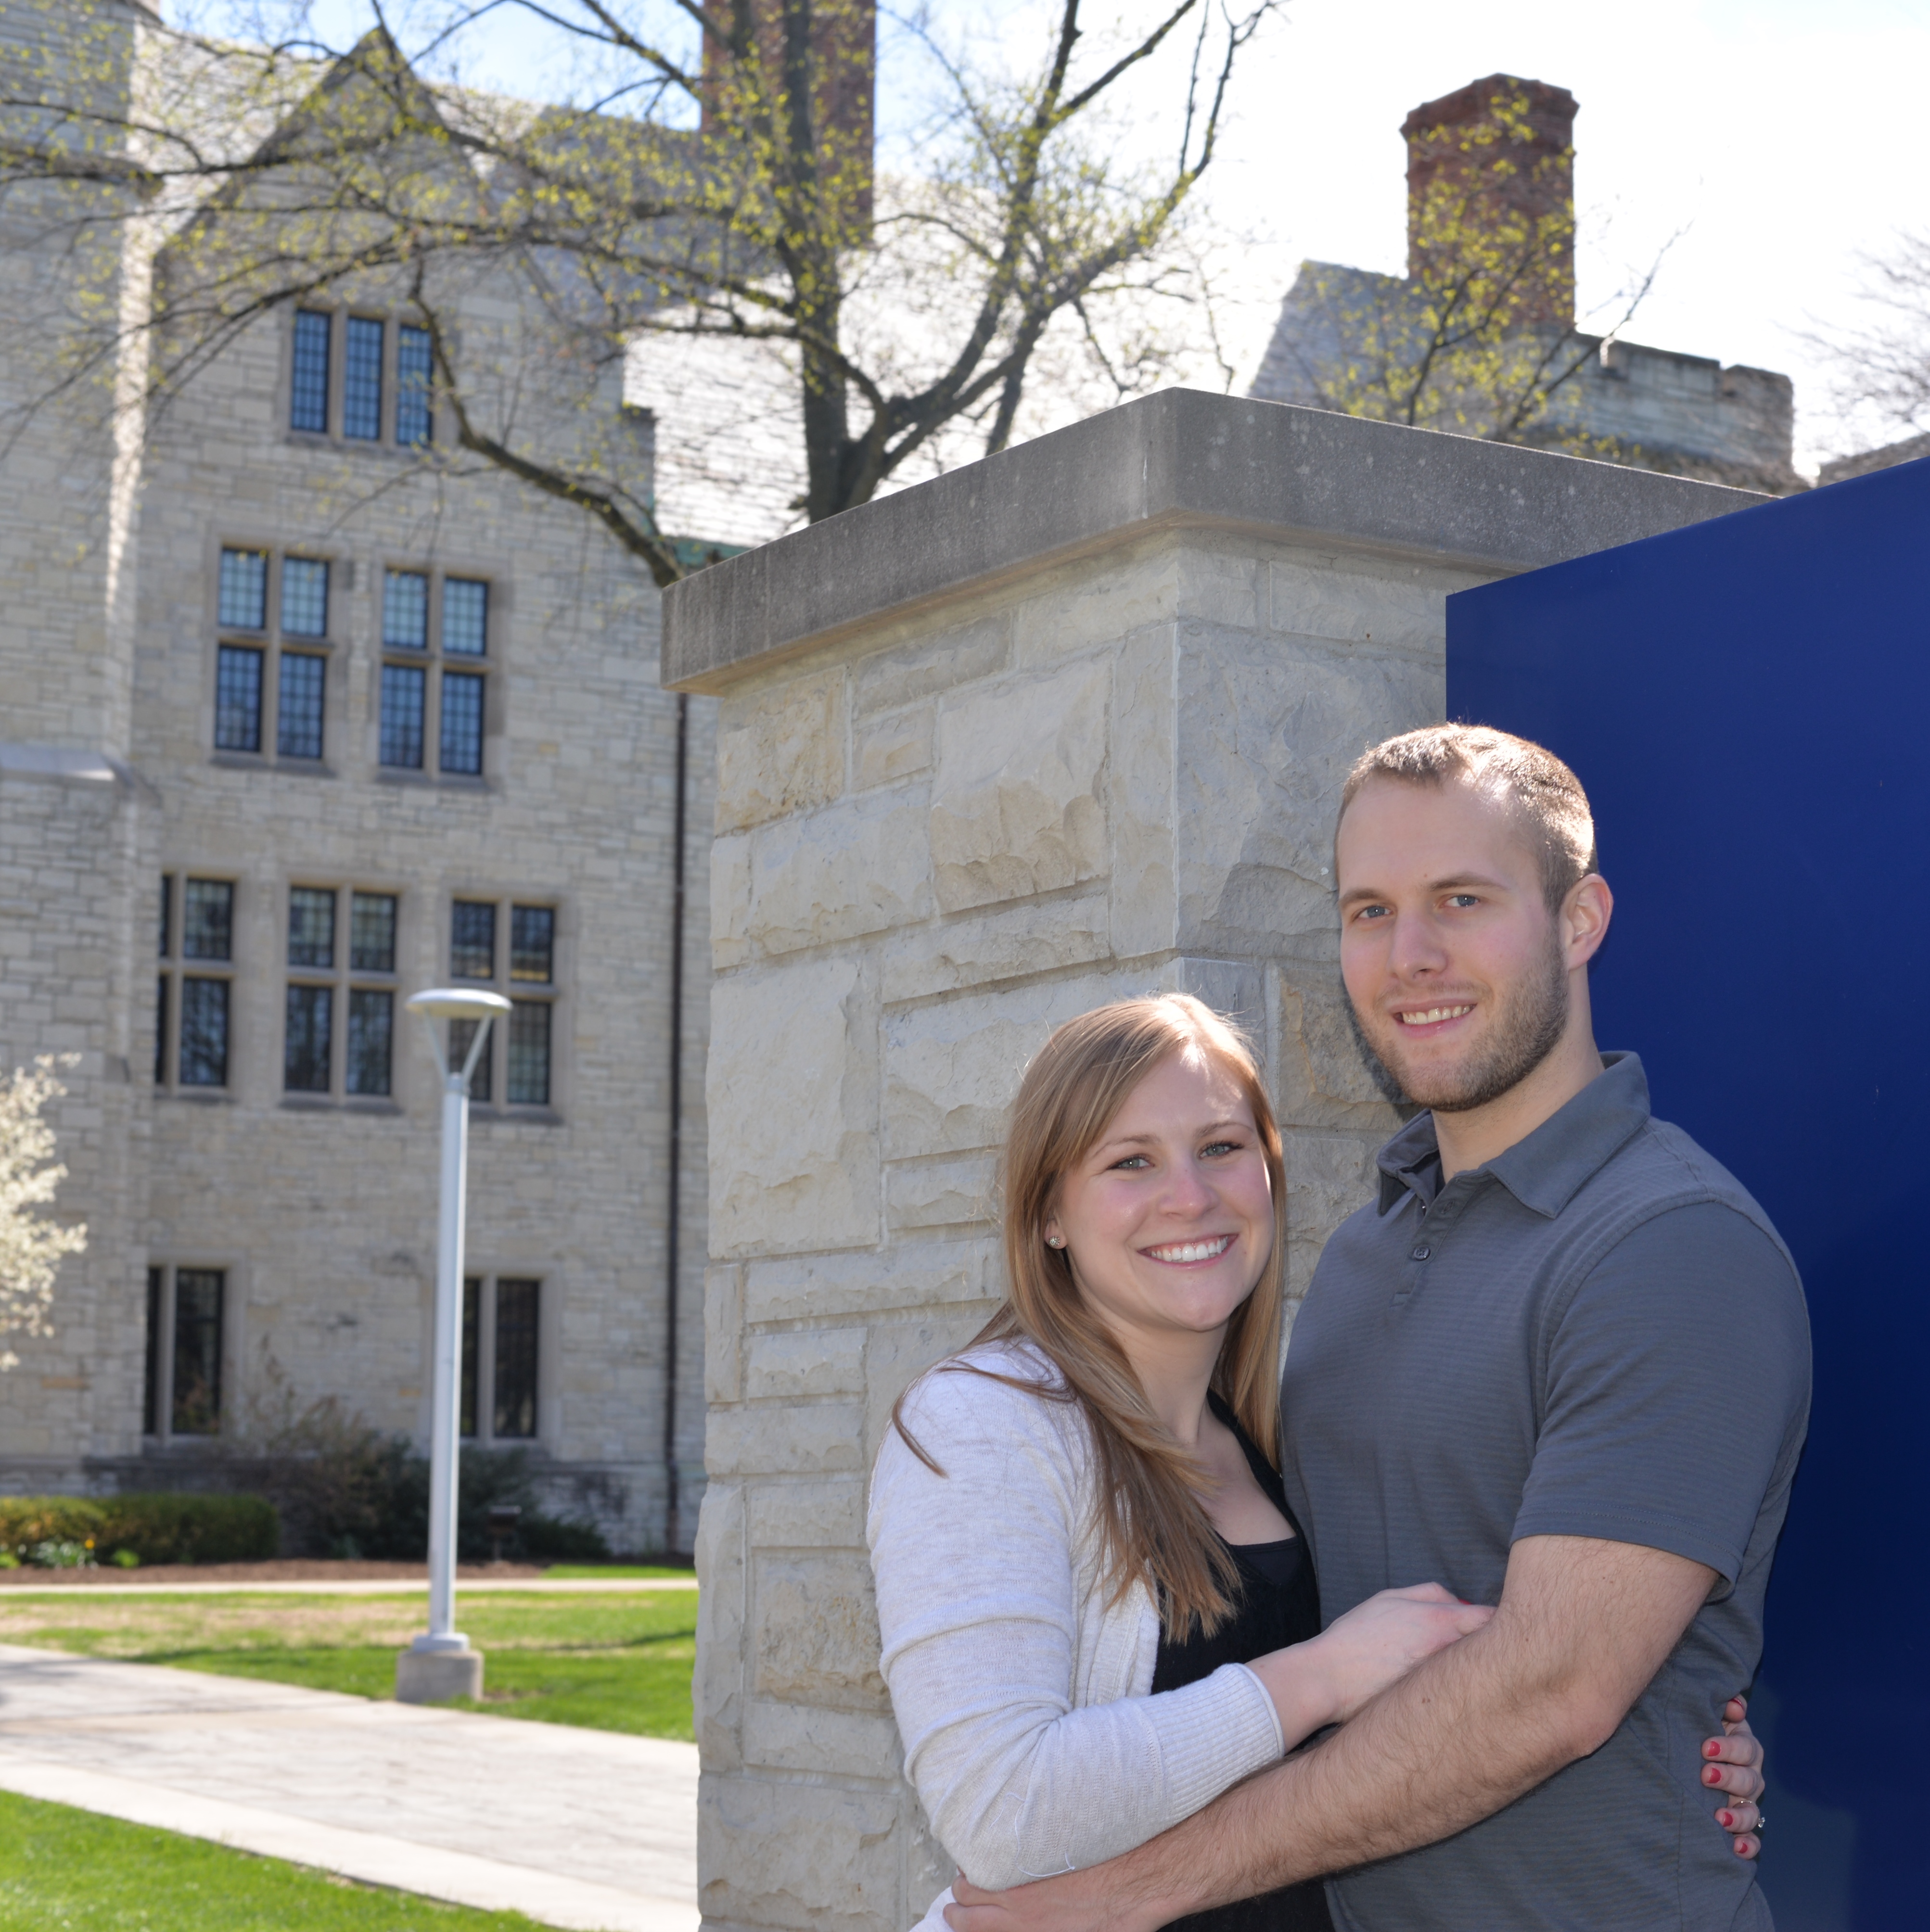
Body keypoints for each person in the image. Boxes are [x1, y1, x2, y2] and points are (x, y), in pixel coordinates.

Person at [940, 725, 1807, 1932]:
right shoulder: (1359, 1255)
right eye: (1368, 911)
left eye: (1461, 899)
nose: (1410, 956)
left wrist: (1137, 1888)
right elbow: (1298, 1629)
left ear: (1578, 918)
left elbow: (1552, 1691)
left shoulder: (1666, 1244)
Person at [871, 995, 1764, 1931]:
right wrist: (1319, 1675)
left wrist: (1665, 1745)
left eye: (1220, 1147)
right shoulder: (982, 1424)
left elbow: (1449, 1680)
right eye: (1130, 1161)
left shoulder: (1263, 1435)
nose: (1190, 1196)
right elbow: (1002, 1812)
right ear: (1049, 1212)